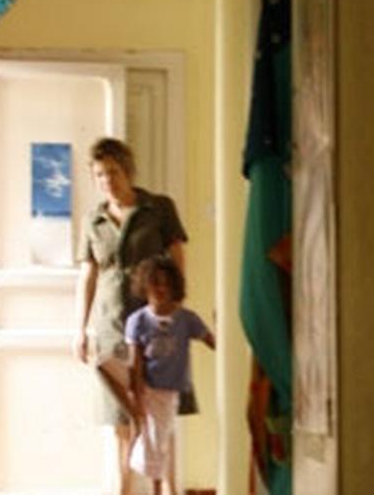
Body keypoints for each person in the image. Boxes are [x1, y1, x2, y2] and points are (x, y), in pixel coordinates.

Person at [73, 137, 189, 495]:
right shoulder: (93, 220)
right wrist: (80, 329)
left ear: (127, 171)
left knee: (160, 412)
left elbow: (177, 258)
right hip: (110, 324)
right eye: (99, 174)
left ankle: (169, 489)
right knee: (120, 417)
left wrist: (175, 309)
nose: (107, 180)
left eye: (113, 172)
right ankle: (124, 489)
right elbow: (88, 275)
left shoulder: (158, 209)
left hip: (154, 323)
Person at [125, 256, 216, 495]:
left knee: (160, 441)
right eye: (155, 283)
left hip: (171, 389)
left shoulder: (186, 319)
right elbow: (135, 363)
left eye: (166, 283)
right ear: (145, 285)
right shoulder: (137, 321)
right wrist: (136, 395)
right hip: (148, 388)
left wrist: (220, 324)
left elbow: (214, 342)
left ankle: (160, 487)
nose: (161, 289)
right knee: (150, 440)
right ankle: (151, 488)